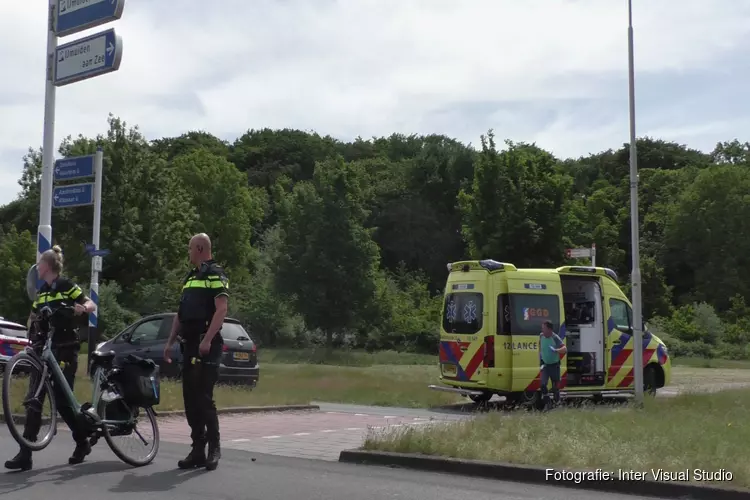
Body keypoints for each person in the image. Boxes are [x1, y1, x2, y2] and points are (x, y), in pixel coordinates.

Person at [4, 245, 96, 471]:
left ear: (47, 266)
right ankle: (25, 453)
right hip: (43, 351)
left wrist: (82, 309)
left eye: (39, 263)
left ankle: (82, 441)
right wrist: (31, 326)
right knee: (34, 399)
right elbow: (34, 314)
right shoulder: (42, 292)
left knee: (63, 402)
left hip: (65, 348)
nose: (37, 267)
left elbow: (90, 304)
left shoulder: (66, 286)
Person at [163, 233, 229, 471]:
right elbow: (180, 314)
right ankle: (197, 449)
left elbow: (221, 309)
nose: (188, 252)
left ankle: (214, 448)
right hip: (189, 344)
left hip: (206, 344)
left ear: (200, 248)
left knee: (204, 399)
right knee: (190, 400)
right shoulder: (190, 277)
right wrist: (170, 342)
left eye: (190, 248)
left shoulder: (215, 274)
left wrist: (208, 339)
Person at [539, 320, 567, 408]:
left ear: (549, 329)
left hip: (555, 365)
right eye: (542, 328)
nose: (542, 330)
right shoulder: (541, 336)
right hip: (545, 365)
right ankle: (548, 404)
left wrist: (556, 350)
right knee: (543, 385)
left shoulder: (555, 337)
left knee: (555, 387)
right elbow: (541, 348)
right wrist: (540, 360)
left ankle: (557, 403)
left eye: (544, 328)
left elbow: (565, 349)